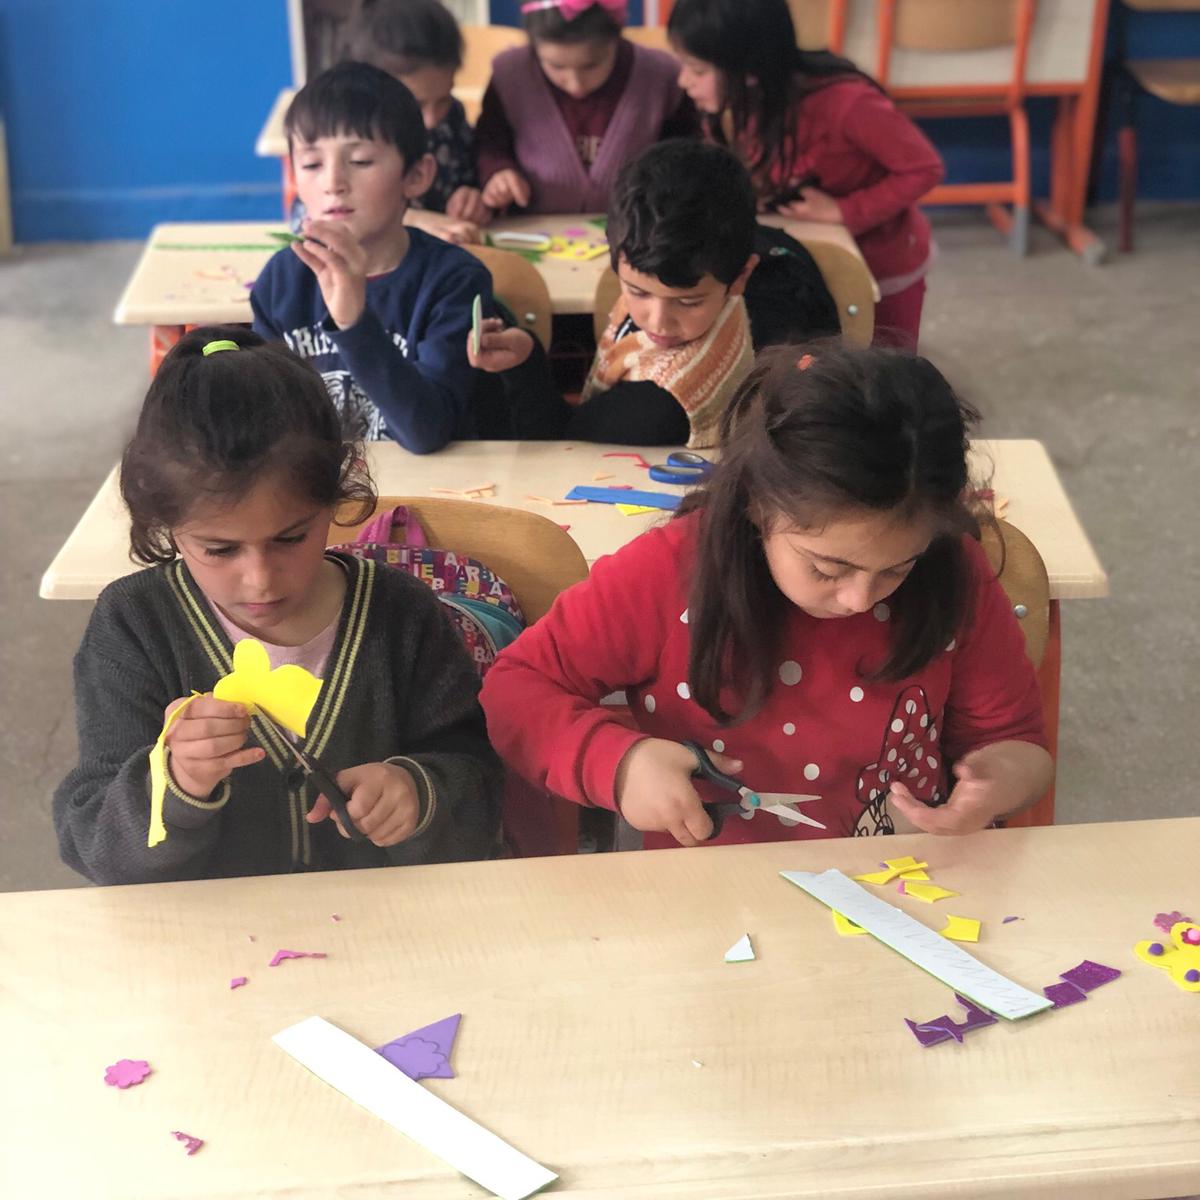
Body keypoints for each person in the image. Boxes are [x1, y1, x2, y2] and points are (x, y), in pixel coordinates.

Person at [479, 343, 1052, 846]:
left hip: (908, 890)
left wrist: (996, 781)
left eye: (898, 568)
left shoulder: (954, 570)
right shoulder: (669, 574)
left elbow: (1016, 740)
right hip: (716, 896)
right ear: (757, 506)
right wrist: (619, 764)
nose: (860, 599)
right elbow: (515, 690)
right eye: (827, 568)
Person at [53, 329, 501, 885]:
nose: (261, 580)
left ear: (335, 498)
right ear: (166, 526)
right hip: (207, 932)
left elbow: (481, 785)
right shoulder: (135, 625)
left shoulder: (401, 614)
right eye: (220, 550)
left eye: (291, 538)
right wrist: (174, 783)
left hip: (385, 925)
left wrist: (419, 792)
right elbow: (92, 841)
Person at [468, 141, 839, 445]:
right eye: (637, 292)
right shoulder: (714, 258)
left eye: (688, 301)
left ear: (742, 277)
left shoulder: (666, 403)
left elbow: (561, 437)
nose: (658, 322)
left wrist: (526, 363)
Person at [669, 0, 945, 348]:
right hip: (806, 260)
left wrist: (845, 211)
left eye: (697, 70)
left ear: (749, 69)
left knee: (883, 370)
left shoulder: (846, 103)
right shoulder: (741, 104)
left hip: (881, 267)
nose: (683, 81)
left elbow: (924, 168)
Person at [251, 61, 490, 451]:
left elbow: (426, 432)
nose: (333, 183)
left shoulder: (454, 280)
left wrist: (353, 323)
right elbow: (266, 428)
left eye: (360, 161)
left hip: (429, 485)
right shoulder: (282, 280)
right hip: (320, 486)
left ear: (416, 175)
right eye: (312, 164)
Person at [473, 0, 699, 214]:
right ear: (533, 46)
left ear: (617, 38)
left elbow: (685, 152)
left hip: (636, 231)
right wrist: (498, 172)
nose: (575, 83)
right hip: (534, 229)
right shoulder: (511, 75)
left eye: (592, 65)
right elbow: (490, 142)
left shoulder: (661, 77)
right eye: (556, 66)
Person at [340, 0, 488, 236]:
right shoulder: (344, 132)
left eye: (444, 98)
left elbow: (469, 177)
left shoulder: (451, 118)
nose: (431, 120)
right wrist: (412, 220)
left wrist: (471, 198)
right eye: (416, 105)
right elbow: (308, 216)